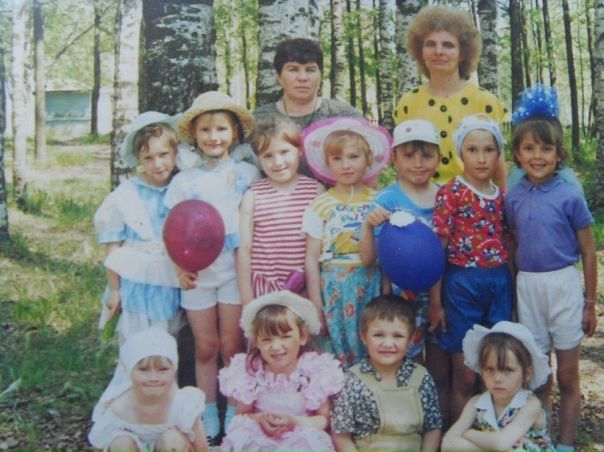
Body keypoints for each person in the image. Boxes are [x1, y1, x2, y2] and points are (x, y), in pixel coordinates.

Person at [504, 85, 598, 452]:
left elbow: (588, 251)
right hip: (528, 287)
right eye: (529, 148)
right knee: (539, 375)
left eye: (546, 149)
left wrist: (590, 303)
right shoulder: (513, 196)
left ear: (559, 154)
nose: (537, 156)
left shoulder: (570, 194)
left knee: (568, 375)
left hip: (563, 285)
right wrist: (514, 296)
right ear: (517, 153)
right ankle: (540, 440)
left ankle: (567, 443)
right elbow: (513, 246)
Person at [165, 91, 259, 443]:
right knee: (205, 346)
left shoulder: (248, 173)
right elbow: (171, 228)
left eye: (221, 129)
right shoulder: (184, 180)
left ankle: (234, 406)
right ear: (194, 134)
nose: (213, 137)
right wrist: (179, 267)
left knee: (231, 344)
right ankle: (206, 409)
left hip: (235, 269)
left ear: (234, 132)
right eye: (205, 130)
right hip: (199, 273)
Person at [432, 114, 513, 423]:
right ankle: (457, 436)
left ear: (498, 153)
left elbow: (509, 244)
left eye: (489, 150)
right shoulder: (450, 193)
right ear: (459, 153)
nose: (481, 158)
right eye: (473, 150)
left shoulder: (502, 197)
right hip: (461, 287)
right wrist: (436, 301)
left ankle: (490, 434)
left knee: (494, 370)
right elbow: (437, 251)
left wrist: (513, 293)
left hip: (498, 285)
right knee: (465, 374)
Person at [301, 117, 391, 366]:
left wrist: (386, 291)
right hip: (334, 290)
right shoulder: (320, 205)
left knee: (374, 344)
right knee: (338, 351)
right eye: (337, 158)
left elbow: (386, 251)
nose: (346, 165)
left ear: (368, 160)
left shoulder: (380, 200)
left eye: (353, 157)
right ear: (327, 163)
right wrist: (316, 303)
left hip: (370, 284)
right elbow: (311, 258)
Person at [393, 5, 507, 188]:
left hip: (473, 199)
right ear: (421, 52)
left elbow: (498, 167)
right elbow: (403, 166)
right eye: (430, 44)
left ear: (462, 54)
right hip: (422, 200)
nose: (438, 51)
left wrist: (503, 202)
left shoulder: (485, 101)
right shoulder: (408, 104)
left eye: (448, 45)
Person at [216, 290, 345, 452]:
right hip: (261, 439)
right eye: (266, 339)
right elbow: (242, 415)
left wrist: (294, 422)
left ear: (302, 336)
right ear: (256, 342)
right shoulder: (252, 372)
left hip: (300, 439)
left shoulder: (314, 371)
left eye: (285, 337)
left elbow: (324, 419)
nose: (276, 347)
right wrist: (260, 419)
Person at [93, 112, 181, 343]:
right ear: (138, 159)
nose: (158, 164)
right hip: (136, 279)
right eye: (148, 158)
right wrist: (115, 289)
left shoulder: (181, 188)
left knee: (168, 336)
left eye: (163, 155)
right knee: (135, 338)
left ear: (175, 152)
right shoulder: (127, 194)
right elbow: (113, 247)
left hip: (169, 275)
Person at [359, 119, 441, 363]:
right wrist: (368, 225)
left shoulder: (445, 196)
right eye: (408, 156)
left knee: (438, 357)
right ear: (394, 158)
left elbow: (443, 252)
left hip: (441, 291)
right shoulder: (386, 200)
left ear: (439, 157)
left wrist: (437, 302)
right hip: (400, 296)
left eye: (427, 156)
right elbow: (367, 258)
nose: (418, 164)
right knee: (406, 359)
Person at [331, 295, 443, 452]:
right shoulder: (352, 381)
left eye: (398, 336)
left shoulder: (421, 378)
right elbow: (341, 436)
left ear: (411, 339)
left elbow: (433, 428)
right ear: (364, 337)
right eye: (378, 335)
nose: (388, 344)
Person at [237, 116, 324, 306]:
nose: (277, 162)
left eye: (284, 152)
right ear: (258, 158)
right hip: (264, 289)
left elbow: (316, 253)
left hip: (303, 288)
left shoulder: (315, 191)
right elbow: (244, 250)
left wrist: (316, 302)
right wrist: (247, 300)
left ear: (299, 150)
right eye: (268, 156)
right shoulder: (253, 195)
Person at [248, 38, 361, 177]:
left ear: (320, 75)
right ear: (279, 77)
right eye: (293, 69)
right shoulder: (257, 120)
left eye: (310, 70)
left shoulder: (343, 115)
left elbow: (367, 170)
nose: (302, 77)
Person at [88, 327, 208, 452]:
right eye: (143, 370)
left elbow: (201, 447)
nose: (153, 378)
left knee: (172, 441)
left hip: (167, 445)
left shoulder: (183, 404)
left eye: (163, 369)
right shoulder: (119, 407)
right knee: (121, 444)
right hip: (130, 447)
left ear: (174, 369)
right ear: (129, 370)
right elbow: (99, 445)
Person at [442, 321, 555, 452]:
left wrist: (468, 434)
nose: (497, 379)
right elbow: (448, 444)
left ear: (527, 374)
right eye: (490, 369)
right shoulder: (476, 403)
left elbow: (501, 444)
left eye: (508, 370)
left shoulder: (530, 404)